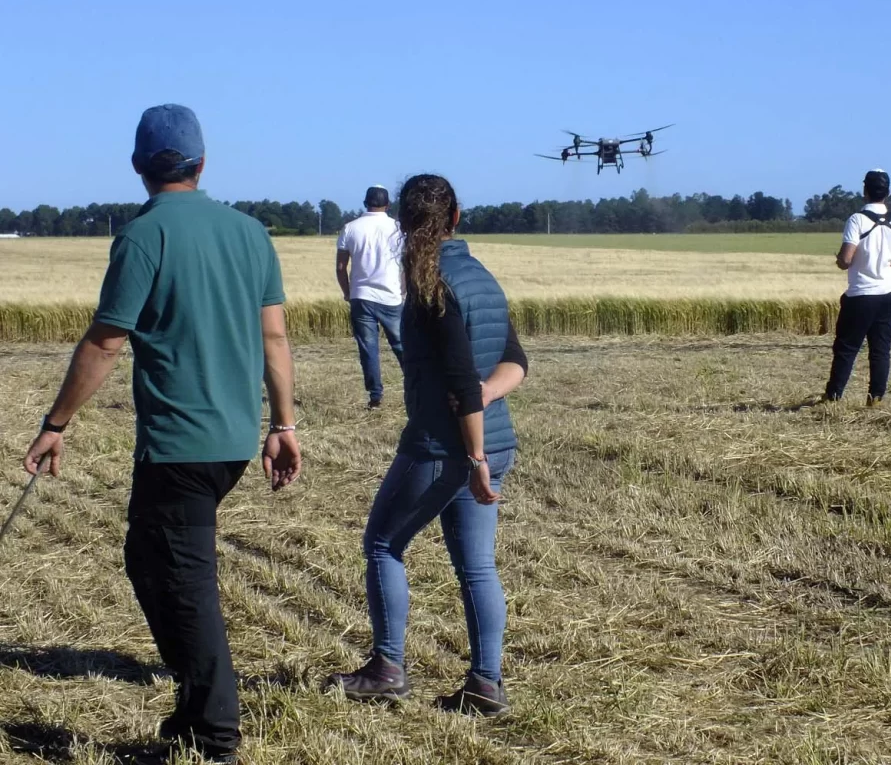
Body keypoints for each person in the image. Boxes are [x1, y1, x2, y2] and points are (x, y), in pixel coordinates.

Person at [22, 103, 302, 764]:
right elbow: (274, 337)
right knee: (149, 560)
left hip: (180, 443)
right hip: (233, 442)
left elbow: (106, 341)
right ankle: (193, 705)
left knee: (181, 582)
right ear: (202, 164)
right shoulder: (250, 232)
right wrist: (283, 423)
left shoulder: (143, 236)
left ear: (138, 166)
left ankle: (213, 735)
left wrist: (55, 424)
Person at [322, 173, 528, 717]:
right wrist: (486, 400)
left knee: (382, 545)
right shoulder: (482, 277)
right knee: (477, 567)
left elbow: (460, 382)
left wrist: (475, 455)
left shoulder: (434, 285)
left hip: (444, 447)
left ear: (403, 224)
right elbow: (515, 361)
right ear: (456, 217)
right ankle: (485, 684)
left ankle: (387, 668)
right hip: (491, 440)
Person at [823, 169, 891, 405]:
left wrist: (839, 260)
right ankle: (875, 399)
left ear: (864, 191)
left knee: (846, 349)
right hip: (889, 294)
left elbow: (846, 260)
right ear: (888, 192)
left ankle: (833, 399)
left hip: (861, 295)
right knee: (880, 350)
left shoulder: (857, 220)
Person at [336, 185, 405, 409]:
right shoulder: (398, 228)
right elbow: (408, 263)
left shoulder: (350, 228)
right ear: (388, 204)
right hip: (391, 296)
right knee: (402, 345)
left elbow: (340, 267)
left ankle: (375, 397)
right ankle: (418, 387)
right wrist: (403, 289)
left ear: (365, 203)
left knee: (368, 348)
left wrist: (348, 292)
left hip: (361, 296)